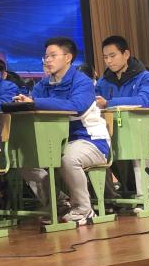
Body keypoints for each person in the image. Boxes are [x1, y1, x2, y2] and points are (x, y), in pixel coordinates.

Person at [14, 37, 110, 225]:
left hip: (90, 140)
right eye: (46, 56)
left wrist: (36, 103)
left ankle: (84, 210)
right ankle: (59, 204)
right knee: (25, 160)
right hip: (55, 141)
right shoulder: (42, 86)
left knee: (68, 158)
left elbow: (76, 106)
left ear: (68, 57)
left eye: (53, 55)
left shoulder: (82, 82)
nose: (47, 60)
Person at [94, 35, 149, 208]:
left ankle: (148, 200)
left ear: (126, 54)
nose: (108, 61)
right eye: (105, 57)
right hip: (117, 134)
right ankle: (109, 199)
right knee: (95, 147)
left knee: (140, 144)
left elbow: (145, 100)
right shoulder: (103, 82)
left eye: (112, 56)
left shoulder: (147, 78)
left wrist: (109, 103)